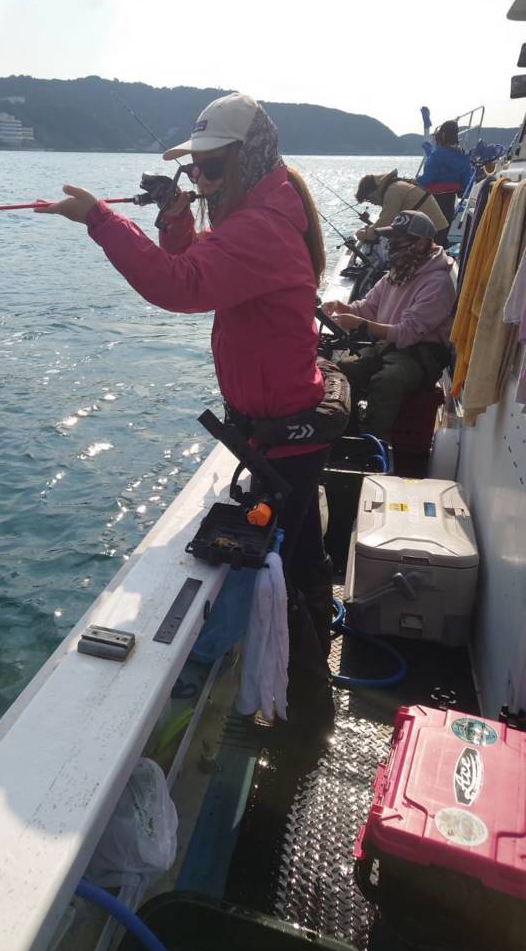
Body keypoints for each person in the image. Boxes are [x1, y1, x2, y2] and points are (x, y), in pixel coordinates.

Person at [36, 92, 335, 728]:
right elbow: (195, 261)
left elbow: (180, 284)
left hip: (284, 446)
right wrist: (175, 217)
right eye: (193, 169)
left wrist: (100, 220)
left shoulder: (258, 228)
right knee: (300, 564)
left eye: (210, 168)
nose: (199, 180)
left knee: (288, 585)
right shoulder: (258, 213)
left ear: (248, 160)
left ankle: (308, 720)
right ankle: (305, 707)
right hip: (278, 438)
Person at [322, 210, 455, 443]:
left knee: (387, 381)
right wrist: (343, 307)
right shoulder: (396, 273)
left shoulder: (438, 283)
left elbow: (408, 332)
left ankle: (374, 442)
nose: (391, 246)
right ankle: (346, 433)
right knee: (343, 369)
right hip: (388, 346)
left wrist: (361, 324)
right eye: (390, 240)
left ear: (420, 243)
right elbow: (368, 307)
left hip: (420, 355)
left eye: (397, 241)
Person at [355, 169, 449, 247]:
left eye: (369, 198)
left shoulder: (393, 191)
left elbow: (385, 222)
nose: (372, 203)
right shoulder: (396, 185)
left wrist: (364, 234)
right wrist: (370, 229)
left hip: (433, 233)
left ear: (374, 190)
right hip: (436, 228)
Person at [416, 119, 474, 227]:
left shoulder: (437, 155)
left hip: (434, 200)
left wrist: (412, 182)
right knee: (444, 227)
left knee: (432, 228)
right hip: (451, 199)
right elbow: (467, 182)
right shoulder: (463, 156)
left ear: (442, 135)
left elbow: (427, 178)